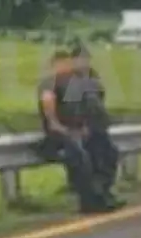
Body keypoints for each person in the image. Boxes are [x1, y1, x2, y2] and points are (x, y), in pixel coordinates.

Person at [37, 50, 118, 213]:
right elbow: (48, 103)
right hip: (58, 133)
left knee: (106, 152)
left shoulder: (72, 83)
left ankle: (102, 193)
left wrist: (83, 127)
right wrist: (57, 125)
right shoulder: (50, 82)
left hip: (74, 130)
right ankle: (88, 201)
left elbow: (77, 109)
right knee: (81, 157)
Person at [69, 45, 123, 207]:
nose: (84, 62)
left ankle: (106, 191)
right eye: (80, 59)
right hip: (84, 127)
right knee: (92, 160)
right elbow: (72, 106)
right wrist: (80, 125)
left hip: (99, 125)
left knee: (110, 155)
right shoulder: (72, 80)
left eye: (86, 59)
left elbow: (100, 99)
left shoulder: (94, 77)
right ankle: (95, 197)